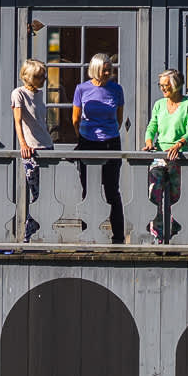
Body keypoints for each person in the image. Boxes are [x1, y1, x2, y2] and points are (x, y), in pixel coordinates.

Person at [72, 52, 127, 244]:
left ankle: (118, 236)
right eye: (104, 69)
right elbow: (75, 119)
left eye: (109, 69)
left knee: (112, 189)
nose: (107, 72)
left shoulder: (116, 89)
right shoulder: (82, 89)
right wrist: (84, 137)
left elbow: (119, 118)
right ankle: (87, 234)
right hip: (88, 141)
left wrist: (108, 132)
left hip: (111, 142)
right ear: (95, 69)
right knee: (88, 189)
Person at [142, 68, 188, 244]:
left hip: (178, 155)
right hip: (159, 153)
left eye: (166, 85)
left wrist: (180, 143)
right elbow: (152, 126)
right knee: (154, 192)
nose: (162, 89)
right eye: (161, 85)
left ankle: (174, 230)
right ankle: (157, 230)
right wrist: (149, 140)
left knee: (175, 196)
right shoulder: (159, 104)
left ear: (176, 85)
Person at [9, 58, 52, 242]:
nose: (43, 79)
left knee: (48, 195)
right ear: (28, 77)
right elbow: (17, 121)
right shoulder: (18, 94)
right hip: (32, 151)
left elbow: (42, 122)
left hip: (48, 147)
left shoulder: (41, 94)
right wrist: (23, 145)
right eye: (39, 76)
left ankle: (42, 235)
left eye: (44, 76)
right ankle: (28, 236)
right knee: (35, 195)